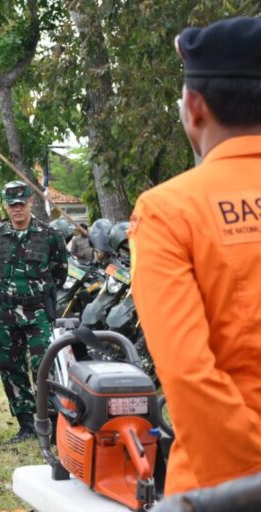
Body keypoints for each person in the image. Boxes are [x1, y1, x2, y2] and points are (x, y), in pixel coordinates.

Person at [130, 16, 261, 496]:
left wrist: (248, 483)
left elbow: (189, 375)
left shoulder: (169, 210)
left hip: (224, 484)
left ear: (194, 107)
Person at [0, 180, 68, 443]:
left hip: (38, 311)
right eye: (12, 204)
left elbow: (60, 272)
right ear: (5, 206)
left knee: (44, 365)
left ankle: (51, 420)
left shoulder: (49, 235)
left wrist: (37, 292)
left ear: (31, 202)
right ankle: (26, 424)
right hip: (7, 311)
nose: (17, 208)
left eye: (21, 203)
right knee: (10, 366)